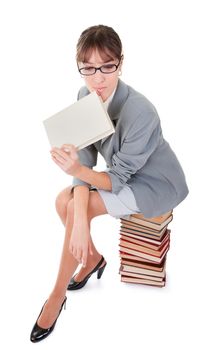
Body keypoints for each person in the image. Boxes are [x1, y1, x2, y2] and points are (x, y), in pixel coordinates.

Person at [30, 24, 189, 342]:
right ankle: (90, 259)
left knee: (76, 207)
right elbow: (85, 159)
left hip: (154, 183)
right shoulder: (84, 95)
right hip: (120, 175)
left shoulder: (140, 111)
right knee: (64, 202)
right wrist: (78, 218)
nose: (97, 79)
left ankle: (56, 297)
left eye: (107, 67)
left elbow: (116, 178)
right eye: (88, 68)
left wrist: (80, 215)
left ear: (121, 63)